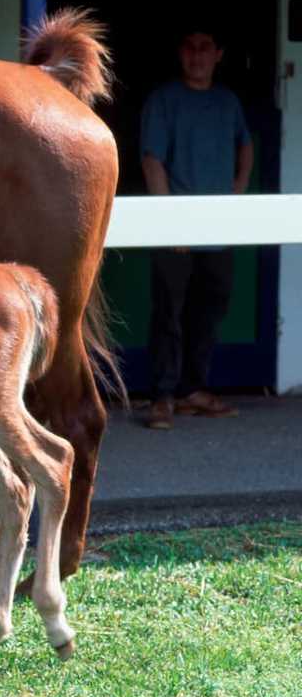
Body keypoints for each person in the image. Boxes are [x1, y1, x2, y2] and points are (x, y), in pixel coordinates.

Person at [141, 22, 253, 430]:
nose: (197, 54)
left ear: (218, 54)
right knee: (169, 313)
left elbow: (246, 145)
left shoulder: (227, 102)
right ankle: (162, 396)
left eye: (206, 46)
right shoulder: (164, 100)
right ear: (180, 53)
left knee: (210, 309)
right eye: (189, 46)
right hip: (176, 230)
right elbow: (152, 160)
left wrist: (237, 193)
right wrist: (172, 224)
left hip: (218, 228)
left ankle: (193, 390)